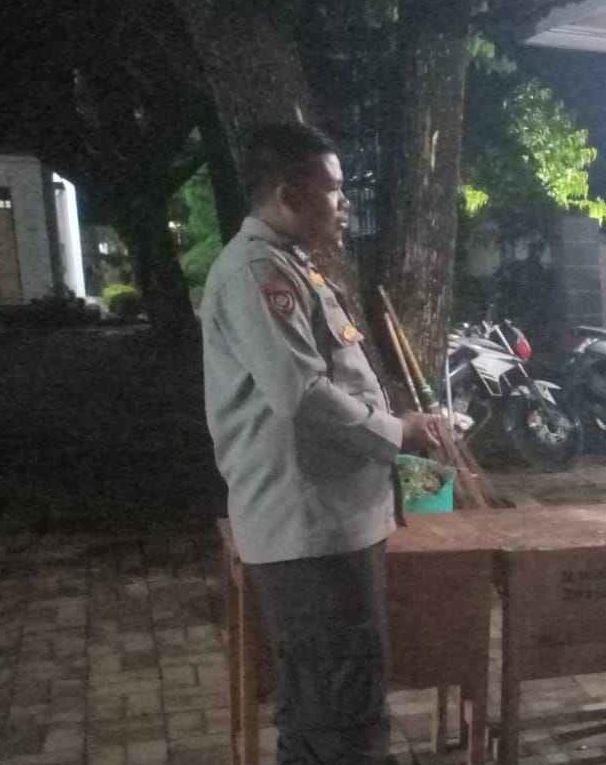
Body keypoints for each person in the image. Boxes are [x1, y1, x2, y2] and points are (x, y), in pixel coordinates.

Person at [201, 122, 448, 764]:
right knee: (340, 718)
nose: (345, 203)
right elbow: (304, 394)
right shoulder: (257, 271)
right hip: (311, 533)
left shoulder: (290, 266)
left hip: (331, 526)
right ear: (288, 194)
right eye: (333, 189)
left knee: (328, 711)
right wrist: (397, 432)